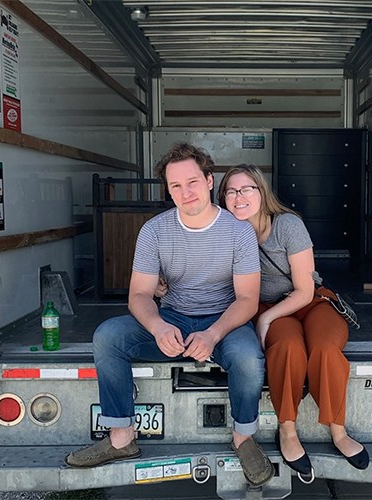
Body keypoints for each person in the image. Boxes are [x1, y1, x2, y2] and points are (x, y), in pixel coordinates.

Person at [65, 144, 274, 487]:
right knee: (108, 336)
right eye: (175, 186)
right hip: (173, 317)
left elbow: (248, 300)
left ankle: (244, 438)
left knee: (248, 359)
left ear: (209, 181)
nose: (185, 192)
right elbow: (139, 295)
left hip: (223, 320)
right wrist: (157, 325)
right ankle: (121, 438)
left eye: (192, 182)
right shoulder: (154, 230)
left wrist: (212, 335)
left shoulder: (238, 231)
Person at [218, 164, 369, 473]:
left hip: (308, 301)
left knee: (326, 348)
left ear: (262, 192)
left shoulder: (287, 225)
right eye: (231, 191)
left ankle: (338, 431)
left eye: (247, 189)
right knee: (287, 348)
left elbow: (303, 289)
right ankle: (287, 429)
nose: (239, 196)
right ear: (223, 198)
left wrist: (265, 319)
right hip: (266, 305)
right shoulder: (224, 232)